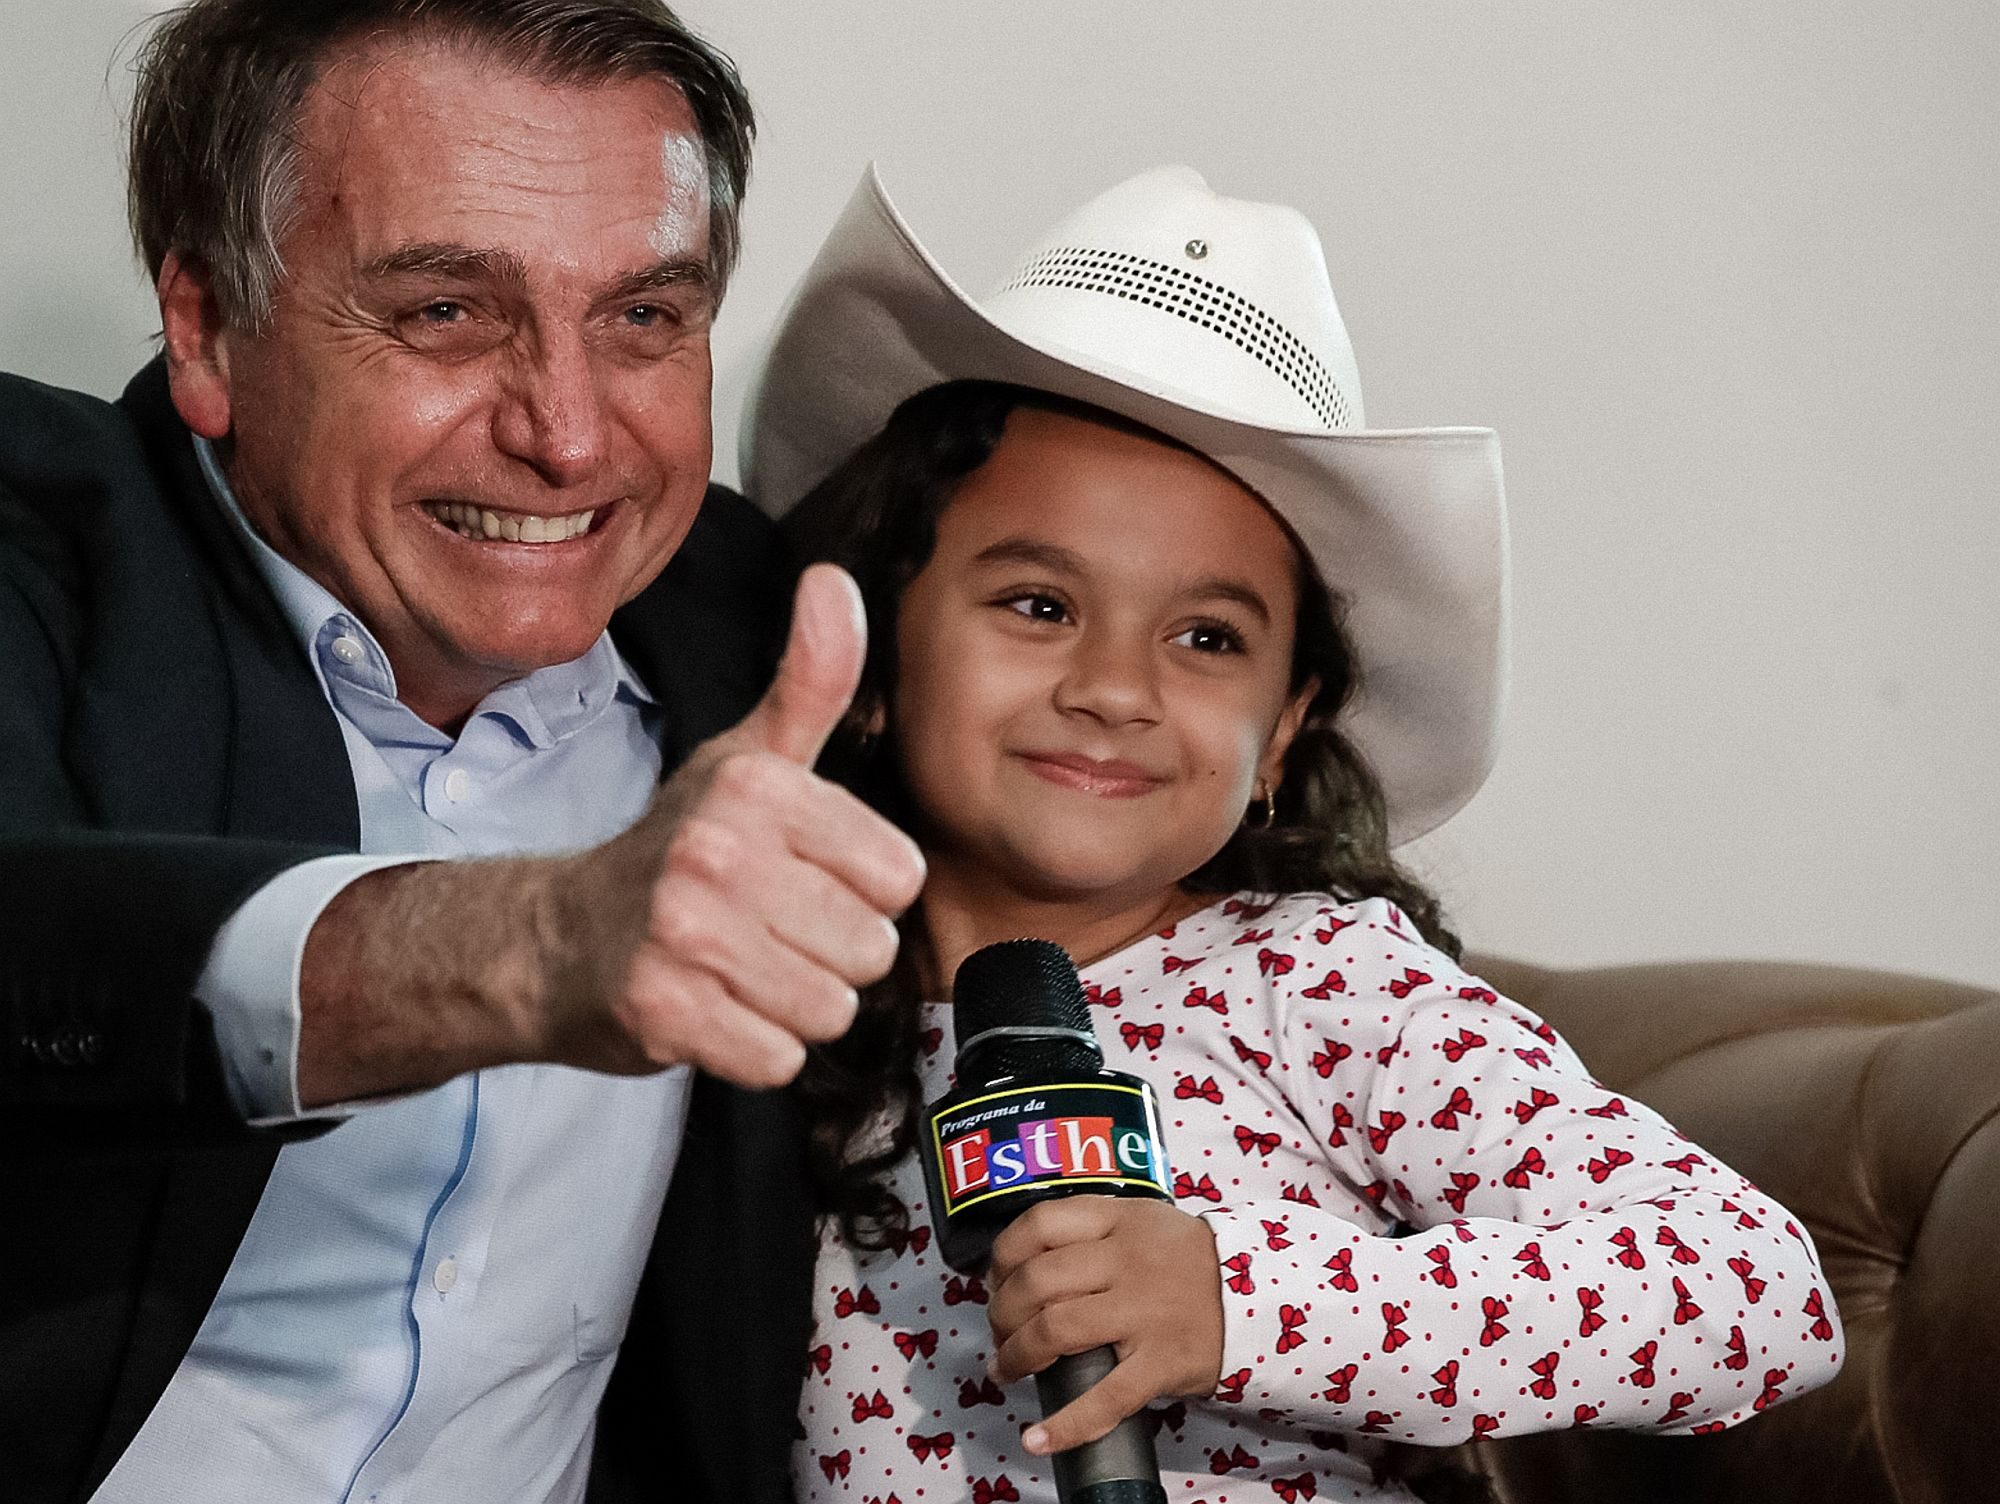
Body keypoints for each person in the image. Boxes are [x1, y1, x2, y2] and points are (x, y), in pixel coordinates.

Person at [740, 165, 1847, 1503]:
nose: (1114, 689)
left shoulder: (1315, 984)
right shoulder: (767, 1017)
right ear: (871, 651)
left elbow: (1752, 1292)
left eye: (1206, 638)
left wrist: (1240, 1299)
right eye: (1037, 604)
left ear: (1280, 735)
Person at [0, 4, 922, 1502]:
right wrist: (535, 940)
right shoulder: (36, 535)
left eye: (642, 318)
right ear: (206, 325)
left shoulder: (768, 629)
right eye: (445, 311)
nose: (568, 438)